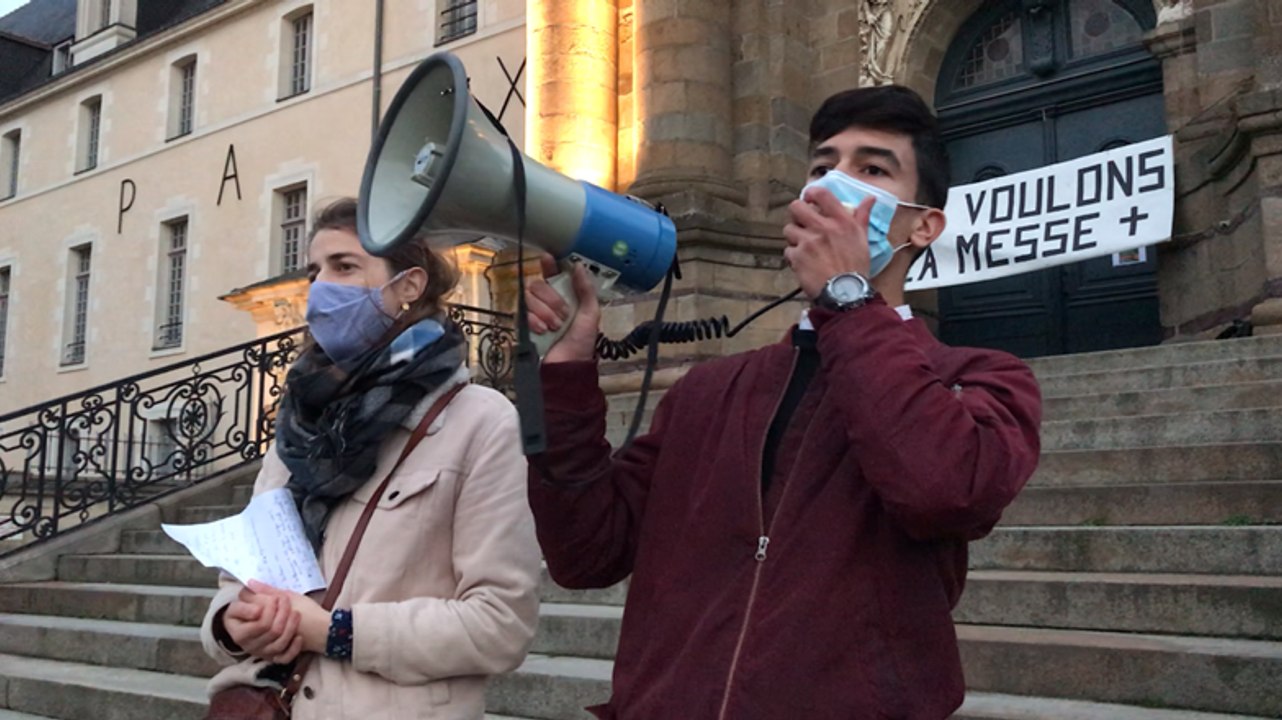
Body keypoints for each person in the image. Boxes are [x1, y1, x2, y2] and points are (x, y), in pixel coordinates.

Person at [524, 85, 1043, 719]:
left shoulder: (983, 380)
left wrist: (850, 299)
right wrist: (564, 374)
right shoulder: (707, 393)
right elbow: (587, 553)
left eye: (871, 169)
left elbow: (942, 487)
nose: (832, 186)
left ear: (923, 225)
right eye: (821, 168)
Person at [200, 197, 540, 720]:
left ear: (408, 286)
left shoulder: (480, 421)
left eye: (344, 267)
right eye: (315, 271)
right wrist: (233, 622)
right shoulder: (301, 418)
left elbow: (499, 626)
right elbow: (235, 585)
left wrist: (338, 632)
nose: (320, 289)